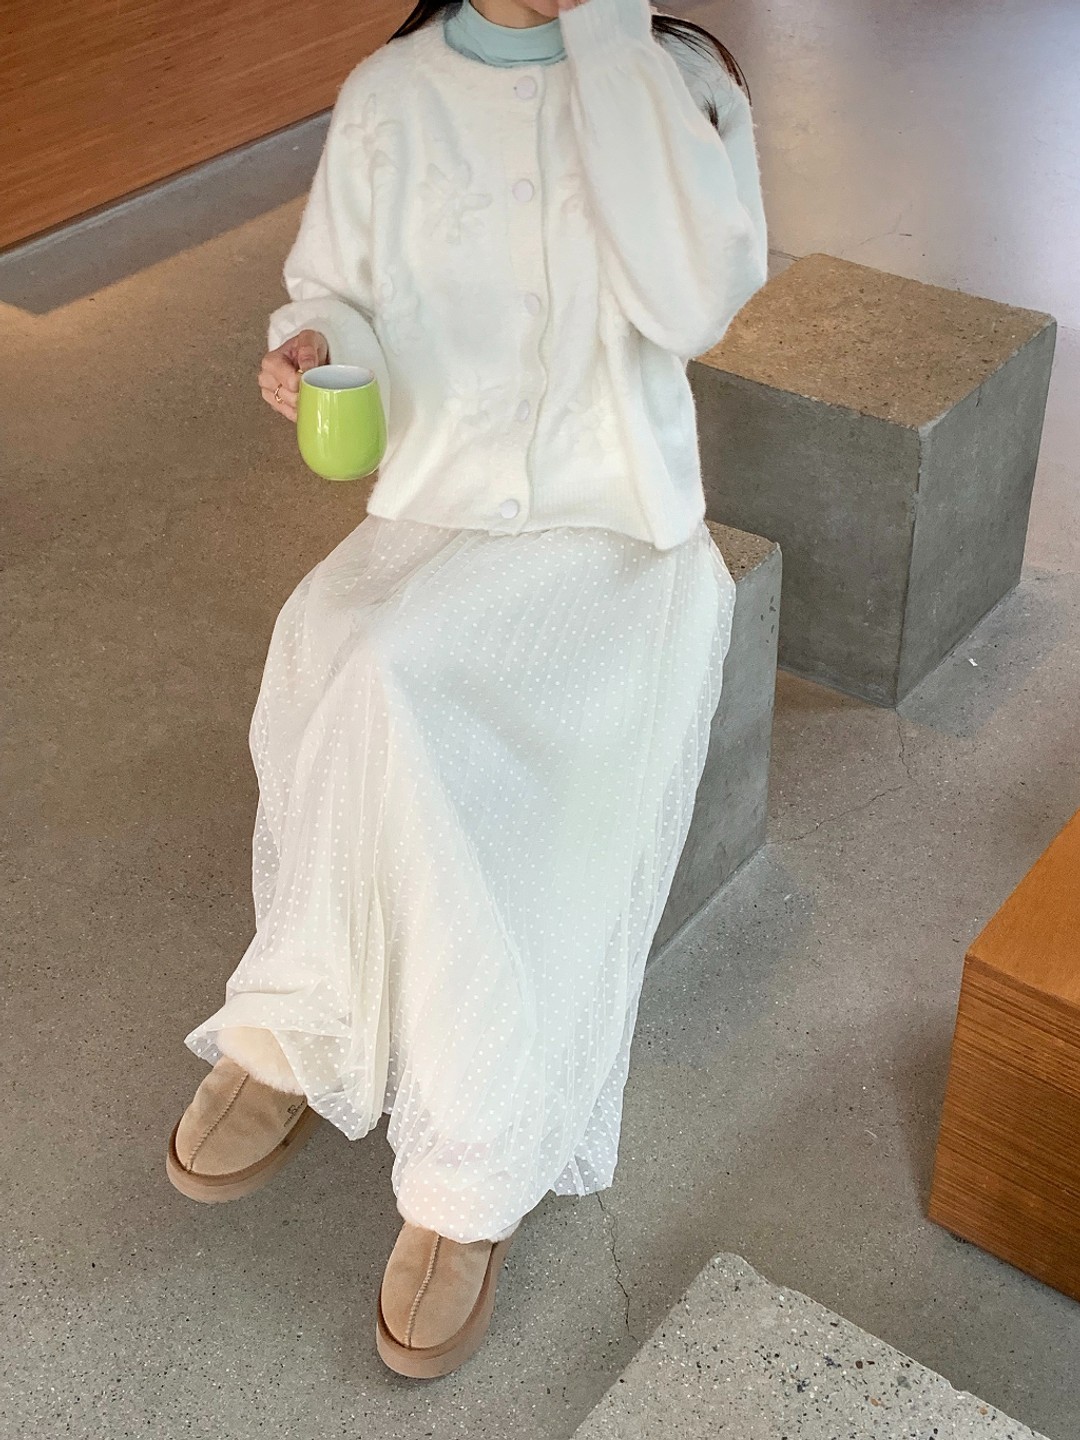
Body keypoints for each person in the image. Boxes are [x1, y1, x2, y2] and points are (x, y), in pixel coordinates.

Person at [165, 0, 767, 1380]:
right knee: (335, 649)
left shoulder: (681, 81)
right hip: (432, 514)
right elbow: (336, 291)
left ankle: (461, 1167)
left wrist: (606, 38)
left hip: (613, 538)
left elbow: (695, 303)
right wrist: (317, 352)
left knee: (395, 683)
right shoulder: (391, 91)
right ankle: (310, 1023)